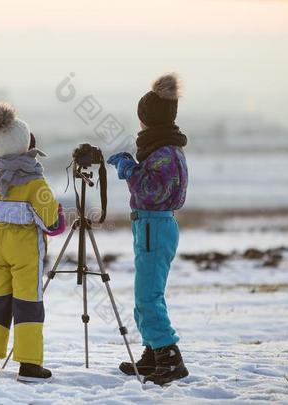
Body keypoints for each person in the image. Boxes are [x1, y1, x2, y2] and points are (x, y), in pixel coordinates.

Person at [107, 73, 189, 385]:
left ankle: (169, 357)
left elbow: (152, 190)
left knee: (147, 297)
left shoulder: (165, 154)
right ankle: (153, 352)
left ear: (150, 120)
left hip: (156, 224)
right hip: (150, 225)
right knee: (146, 294)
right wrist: (133, 166)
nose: (139, 125)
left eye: (142, 119)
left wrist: (130, 170)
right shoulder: (163, 150)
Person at [0, 102, 65, 383]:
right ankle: (29, 365)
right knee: (28, 303)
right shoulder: (34, 183)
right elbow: (52, 224)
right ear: (25, 144)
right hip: (25, 246)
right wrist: (59, 216)